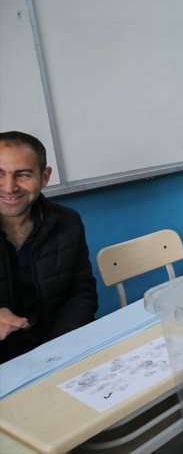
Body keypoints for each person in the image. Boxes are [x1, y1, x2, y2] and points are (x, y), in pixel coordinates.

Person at [0, 131, 98, 364]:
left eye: (22, 174)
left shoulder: (67, 222)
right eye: (0, 174)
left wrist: (58, 349)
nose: (9, 187)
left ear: (44, 177)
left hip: (59, 347)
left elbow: (81, 291)